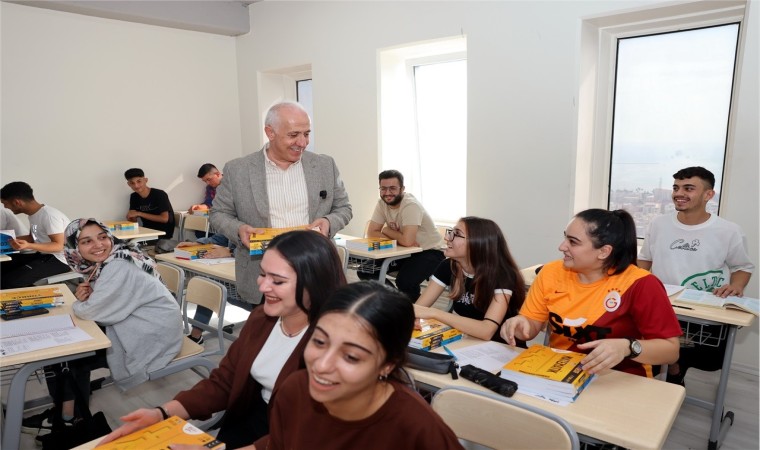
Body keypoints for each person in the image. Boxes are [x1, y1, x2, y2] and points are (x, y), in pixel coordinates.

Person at [98, 230, 347, 449]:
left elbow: (313, 434)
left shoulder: (338, 344)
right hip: (253, 419)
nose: (262, 287)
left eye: (278, 281)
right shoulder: (262, 319)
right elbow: (225, 381)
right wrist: (162, 413)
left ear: (314, 283)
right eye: (262, 274)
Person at [23, 219, 183, 438]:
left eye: (102, 237)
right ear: (75, 248)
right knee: (70, 351)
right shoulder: (108, 261)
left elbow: (92, 312)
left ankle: (66, 417)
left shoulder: (118, 265)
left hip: (153, 334)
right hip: (143, 324)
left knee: (68, 354)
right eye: (86, 241)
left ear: (110, 237)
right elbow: (103, 302)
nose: (98, 245)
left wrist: (80, 304)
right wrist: (88, 299)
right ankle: (71, 412)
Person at [263, 281, 464, 450]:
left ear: (387, 365)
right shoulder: (295, 390)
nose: (322, 365)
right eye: (319, 342)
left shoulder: (417, 429)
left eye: (351, 357)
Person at [501, 209, 682, 377]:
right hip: (560, 372)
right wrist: (520, 324)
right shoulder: (550, 272)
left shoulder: (641, 284)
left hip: (620, 378)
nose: (562, 247)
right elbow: (531, 326)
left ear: (603, 252)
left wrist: (626, 347)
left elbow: (671, 351)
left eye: (573, 242)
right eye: (565, 238)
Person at [210, 101, 352, 305]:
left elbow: (343, 208)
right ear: (270, 132)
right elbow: (218, 214)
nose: (302, 143)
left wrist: (328, 222)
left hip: (315, 272)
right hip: (263, 275)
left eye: (306, 134)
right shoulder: (238, 170)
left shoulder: (324, 165)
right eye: (293, 135)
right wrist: (239, 230)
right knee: (268, 325)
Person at [638, 166, 754, 385]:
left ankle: (674, 370)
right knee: (647, 355)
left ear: (708, 194)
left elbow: (742, 267)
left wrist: (737, 286)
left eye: (688, 188)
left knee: (705, 359)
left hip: (703, 313)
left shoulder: (729, 231)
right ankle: (671, 372)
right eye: (676, 188)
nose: (679, 193)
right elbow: (645, 260)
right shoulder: (658, 224)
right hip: (662, 307)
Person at [414, 217, 526, 343]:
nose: (447, 237)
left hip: (502, 347)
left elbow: (486, 331)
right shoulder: (448, 266)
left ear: (477, 243)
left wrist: (434, 313)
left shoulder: (503, 275)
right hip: (466, 342)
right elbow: (418, 309)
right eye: (451, 232)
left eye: (456, 234)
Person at [357, 169, 445, 300]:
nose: (387, 193)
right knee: (366, 269)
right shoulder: (382, 203)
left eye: (392, 188)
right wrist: (401, 239)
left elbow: (407, 241)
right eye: (383, 188)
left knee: (405, 281)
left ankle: (411, 308)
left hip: (429, 251)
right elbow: (371, 233)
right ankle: (396, 301)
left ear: (402, 189)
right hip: (402, 249)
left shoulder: (410, 205)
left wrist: (386, 230)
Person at [0, 181, 71, 288]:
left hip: (61, 260)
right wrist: (4, 240)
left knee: (8, 282)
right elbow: (31, 238)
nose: (5, 207)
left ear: (17, 202)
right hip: (45, 255)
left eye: (5, 203)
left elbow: (59, 246)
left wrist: (28, 245)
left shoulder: (49, 216)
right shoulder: (34, 215)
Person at [175, 235, 237, 344]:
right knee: (209, 284)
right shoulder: (235, 227)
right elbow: (221, 238)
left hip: (255, 288)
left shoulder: (264, 225)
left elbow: (264, 248)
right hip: (231, 279)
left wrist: (230, 252)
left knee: (212, 286)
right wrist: (197, 244)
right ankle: (196, 335)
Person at [124, 168, 175, 239]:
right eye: (132, 183)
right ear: (129, 184)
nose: (136, 186)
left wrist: (139, 213)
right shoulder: (134, 196)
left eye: (139, 181)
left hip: (163, 233)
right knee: (122, 242)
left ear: (146, 180)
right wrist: (131, 218)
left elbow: (164, 219)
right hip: (146, 231)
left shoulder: (160, 194)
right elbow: (133, 218)